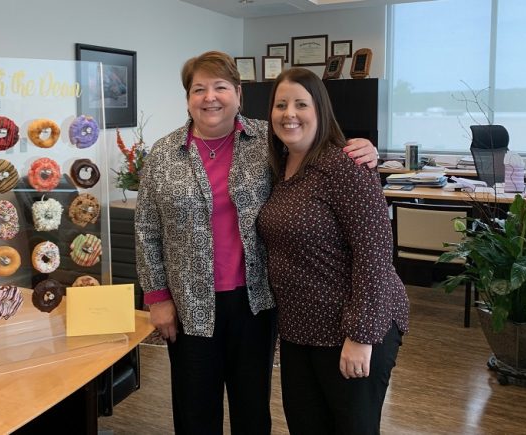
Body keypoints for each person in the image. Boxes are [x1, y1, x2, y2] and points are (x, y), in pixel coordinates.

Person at [134, 51, 379, 435]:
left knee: (251, 407)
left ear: (238, 93)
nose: (210, 97)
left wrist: (361, 150)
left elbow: (317, 150)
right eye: (199, 89)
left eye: (220, 87)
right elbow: (147, 230)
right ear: (187, 98)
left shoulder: (269, 139)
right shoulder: (163, 154)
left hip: (256, 301)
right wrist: (157, 298)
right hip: (188, 303)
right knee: (195, 407)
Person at [256, 67, 409, 435]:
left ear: (320, 110)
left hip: (349, 328)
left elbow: (374, 254)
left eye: (300, 104)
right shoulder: (279, 166)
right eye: (280, 105)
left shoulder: (345, 165)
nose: (289, 113)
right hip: (299, 329)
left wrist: (361, 336)